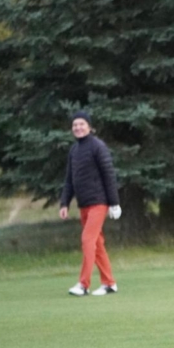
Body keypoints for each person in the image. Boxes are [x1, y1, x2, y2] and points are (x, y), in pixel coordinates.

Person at [59, 111, 122, 296]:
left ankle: (83, 284)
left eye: (81, 124)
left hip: (99, 202)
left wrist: (114, 203)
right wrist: (64, 203)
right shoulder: (74, 150)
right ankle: (109, 283)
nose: (78, 128)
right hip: (84, 204)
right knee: (97, 243)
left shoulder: (97, 146)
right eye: (75, 125)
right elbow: (69, 179)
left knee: (87, 240)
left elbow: (108, 175)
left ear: (89, 127)